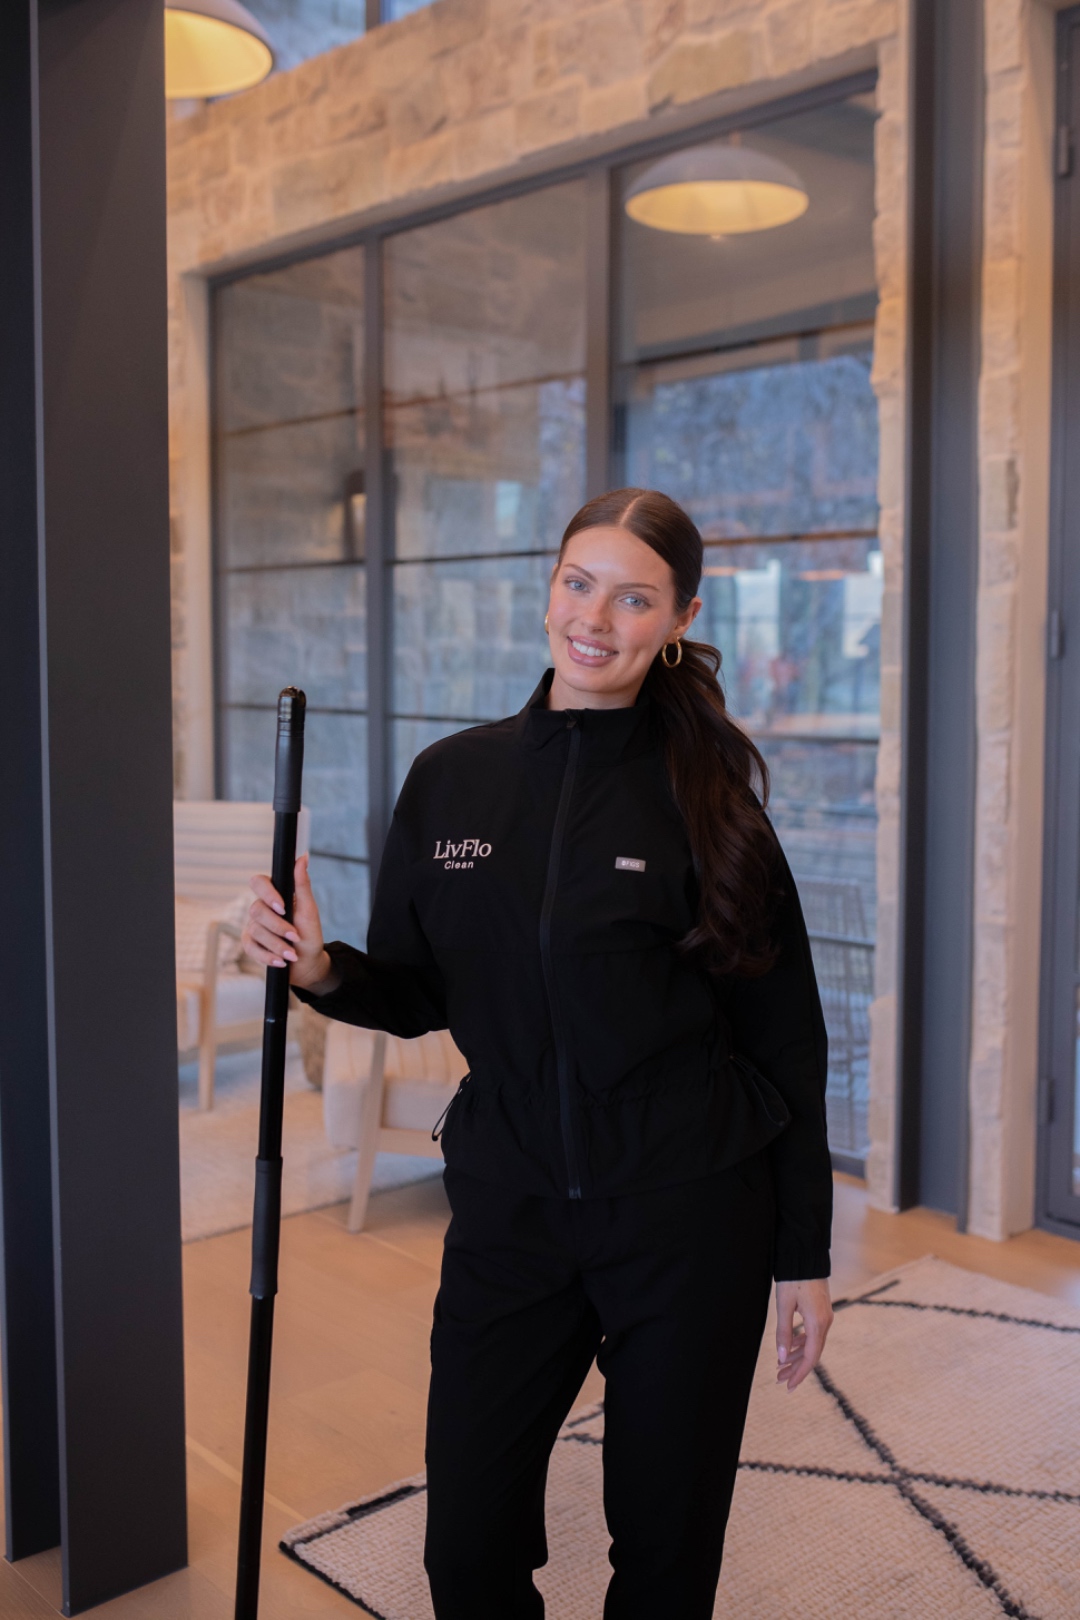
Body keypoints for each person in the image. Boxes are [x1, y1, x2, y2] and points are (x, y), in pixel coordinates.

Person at [243, 488, 834, 1620]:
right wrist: (318, 967)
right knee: (466, 1550)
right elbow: (418, 991)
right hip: (510, 1209)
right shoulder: (453, 780)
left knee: (664, 1558)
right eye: (578, 583)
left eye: (634, 598)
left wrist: (800, 1253)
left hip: (688, 1214)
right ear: (549, 587)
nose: (595, 619)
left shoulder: (710, 800)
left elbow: (784, 1035)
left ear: (681, 619)